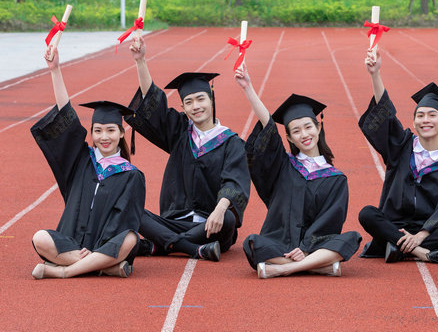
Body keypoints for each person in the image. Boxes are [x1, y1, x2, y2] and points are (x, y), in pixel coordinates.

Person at [125, 36, 250, 261]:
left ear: (211, 99)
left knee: (229, 219)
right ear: (182, 106)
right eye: (189, 102)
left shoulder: (231, 142)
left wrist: (220, 210)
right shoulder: (180, 132)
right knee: (129, 207)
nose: (196, 106)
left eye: (201, 99)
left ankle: (160, 245)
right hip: (176, 219)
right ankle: (190, 248)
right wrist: (140, 61)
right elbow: (155, 108)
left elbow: (235, 182)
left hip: (212, 224)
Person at [234, 64, 362, 278]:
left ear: (318, 128)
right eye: (296, 130)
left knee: (351, 238)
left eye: (308, 127)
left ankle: (285, 268)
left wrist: (305, 247)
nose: (304, 134)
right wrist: (248, 88)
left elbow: (330, 221)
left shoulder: (336, 179)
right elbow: (269, 129)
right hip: (280, 240)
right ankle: (319, 266)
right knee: (252, 243)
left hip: (315, 245)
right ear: (289, 138)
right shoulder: (283, 166)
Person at [30, 46, 145, 279]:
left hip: (105, 244)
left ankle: (63, 272)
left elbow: (125, 220)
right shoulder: (82, 160)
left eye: (111, 130)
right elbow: (66, 117)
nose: (104, 137)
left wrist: (101, 246)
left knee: (131, 239)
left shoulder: (131, 175)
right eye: (98, 130)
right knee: (40, 238)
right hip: (73, 241)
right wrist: (55, 70)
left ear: (122, 133)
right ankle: (103, 267)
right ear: (91, 132)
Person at [357, 49, 438, 265]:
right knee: (367, 213)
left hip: (430, 229)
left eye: (432, 115)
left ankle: (398, 247)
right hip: (395, 224)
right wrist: (375, 74)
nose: (425, 120)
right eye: (420, 115)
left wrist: (422, 234)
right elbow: (386, 116)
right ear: (413, 122)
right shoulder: (402, 147)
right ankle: (424, 254)